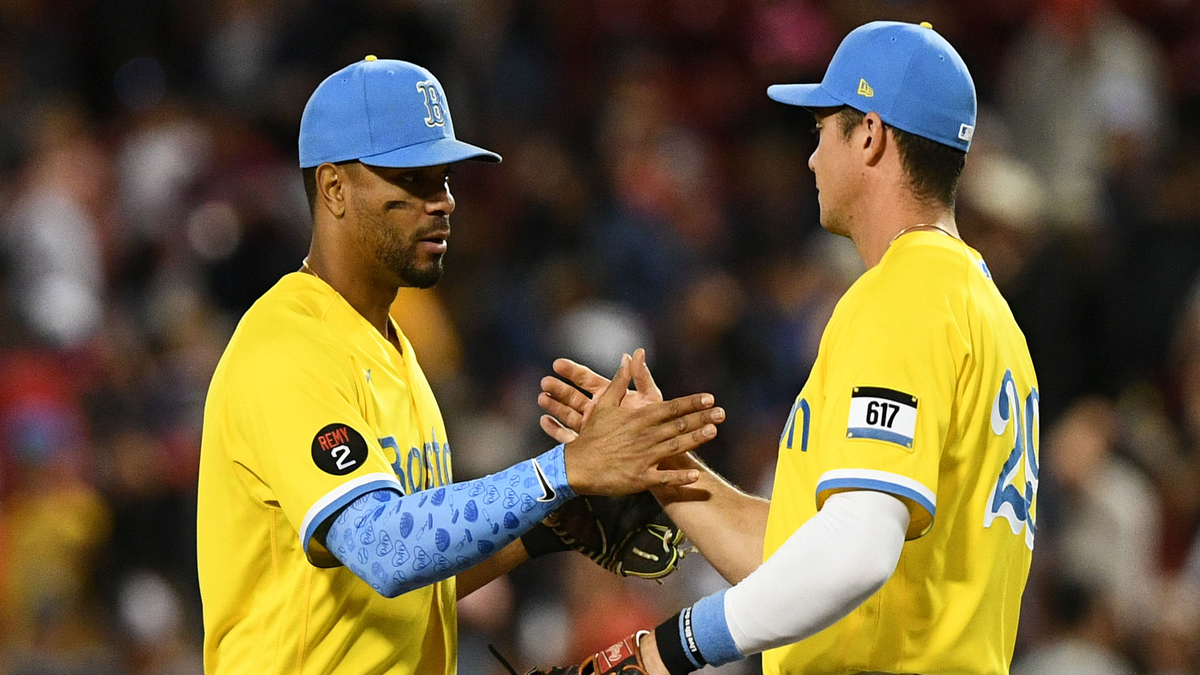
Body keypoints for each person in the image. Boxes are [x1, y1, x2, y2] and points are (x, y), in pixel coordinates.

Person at [537, 21, 1040, 675]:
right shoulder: (984, 312)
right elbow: (810, 561)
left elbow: (856, 551)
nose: (810, 157)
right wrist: (666, 466)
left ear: (870, 135)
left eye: (822, 129)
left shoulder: (904, 293)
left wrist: (672, 646)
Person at [195, 56, 725, 675]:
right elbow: (385, 548)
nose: (442, 202)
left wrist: (546, 527)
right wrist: (565, 471)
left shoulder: (394, 349)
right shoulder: (288, 347)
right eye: (413, 179)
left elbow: (410, 584)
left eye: (445, 179)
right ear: (334, 187)